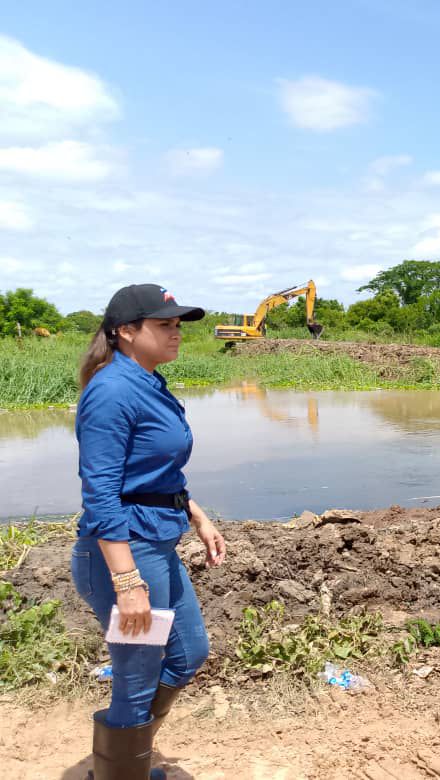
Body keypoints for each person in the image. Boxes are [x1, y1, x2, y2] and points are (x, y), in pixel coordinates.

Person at [70, 284, 227, 780]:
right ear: (125, 331)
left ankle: (127, 761)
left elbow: (155, 474)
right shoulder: (112, 391)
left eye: (178, 324)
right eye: (165, 325)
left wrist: (196, 515)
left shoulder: (147, 380)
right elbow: (101, 494)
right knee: (136, 679)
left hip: (157, 544)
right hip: (125, 554)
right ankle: (121, 772)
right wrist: (128, 583)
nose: (176, 333)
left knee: (189, 653)